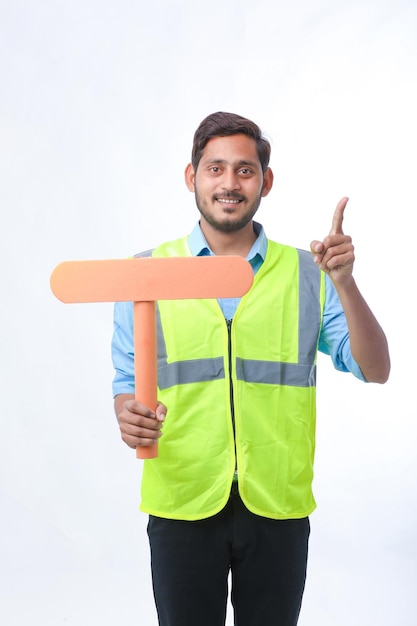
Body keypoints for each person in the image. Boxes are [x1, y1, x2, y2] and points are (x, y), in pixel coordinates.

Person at [111, 111, 390, 626]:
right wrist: (128, 415)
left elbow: (375, 368)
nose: (230, 183)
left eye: (244, 170)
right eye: (215, 169)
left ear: (266, 181)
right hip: (182, 498)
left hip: (277, 503)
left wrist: (346, 283)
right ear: (192, 177)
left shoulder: (311, 274)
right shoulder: (147, 272)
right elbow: (127, 385)